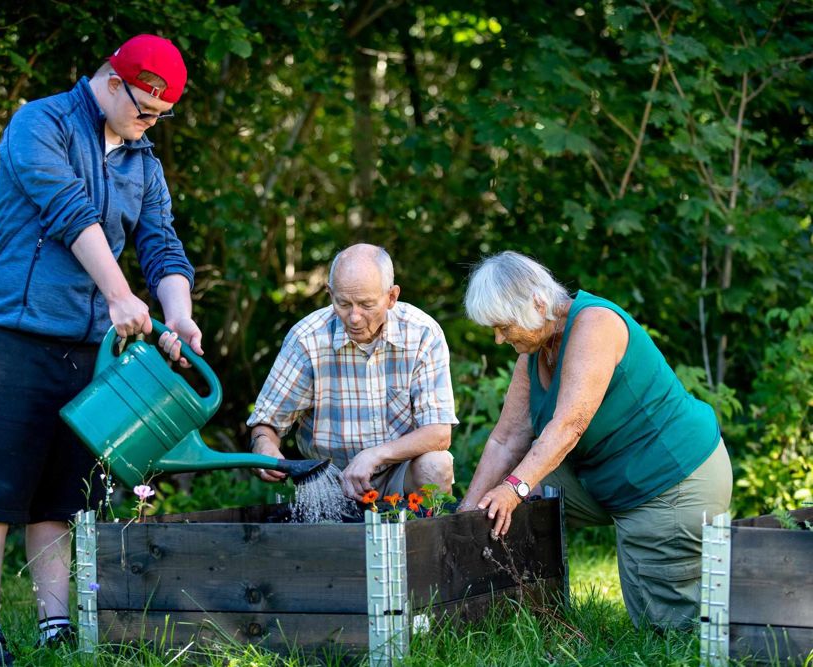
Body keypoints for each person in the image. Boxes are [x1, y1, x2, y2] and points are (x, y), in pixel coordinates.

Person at [0, 35, 202, 666]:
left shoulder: (143, 161)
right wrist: (122, 296)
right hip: (17, 335)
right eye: (145, 111)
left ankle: (55, 625)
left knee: (62, 499)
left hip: (92, 352)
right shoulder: (39, 123)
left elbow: (162, 244)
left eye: (161, 118)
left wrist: (179, 315)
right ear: (114, 83)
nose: (151, 126)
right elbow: (71, 214)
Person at [458, 251, 732, 631]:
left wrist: (513, 487)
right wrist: (466, 513)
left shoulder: (595, 324)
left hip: (672, 478)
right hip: (605, 475)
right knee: (506, 507)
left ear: (537, 304)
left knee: (667, 631)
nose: (498, 337)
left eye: (503, 326)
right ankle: (529, 610)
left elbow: (569, 425)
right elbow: (506, 440)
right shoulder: (534, 352)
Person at [248, 244, 458, 501]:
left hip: (399, 472)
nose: (354, 317)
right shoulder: (307, 339)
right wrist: (264, 445)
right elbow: (267, 422)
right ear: (329, 293)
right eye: (344, 303)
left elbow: (438, 433)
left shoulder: (422, 333)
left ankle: (425, 540)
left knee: (436, 465)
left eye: (366, 304)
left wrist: (374, 455)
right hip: (328, 478)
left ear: (391, 297)